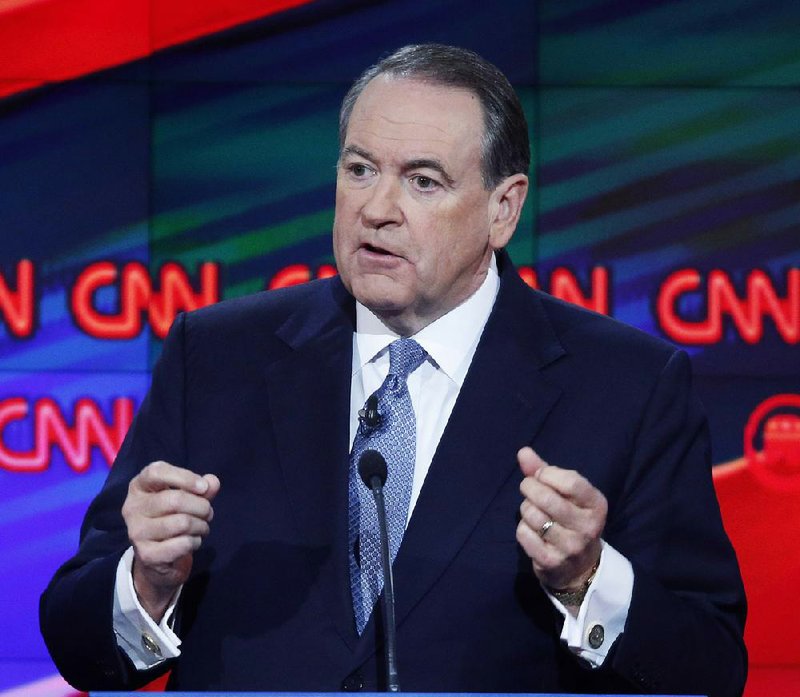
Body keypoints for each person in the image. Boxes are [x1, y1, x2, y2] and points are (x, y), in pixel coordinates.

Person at [40, 44, 746, 696]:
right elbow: (76, 641)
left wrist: (587, 580)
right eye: (360, 169)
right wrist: (147, 581)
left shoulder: (628, 385)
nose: (377, 209)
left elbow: (710, 665)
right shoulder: (218, 356)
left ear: (504, 209)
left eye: (423, 181)